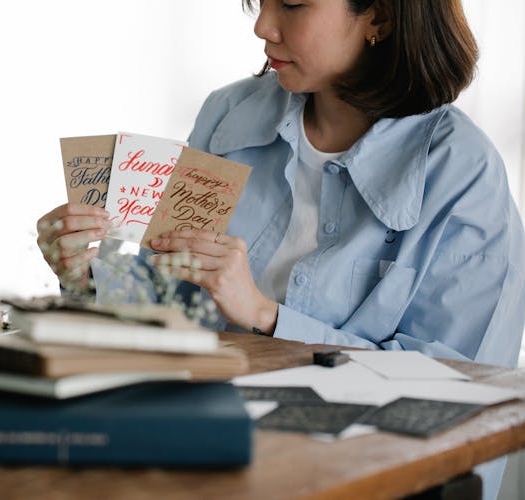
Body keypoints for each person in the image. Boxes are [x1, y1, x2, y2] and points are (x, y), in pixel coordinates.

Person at [37, 2, 524, 495]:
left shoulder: (464, 172)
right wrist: (88, 276)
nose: (262, 27)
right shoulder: (227, 112)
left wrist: (267, 315)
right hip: (193, 449)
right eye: (260, 1)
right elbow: (163, 300)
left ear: (381, 17)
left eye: (292, 3)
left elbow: (455, 390)